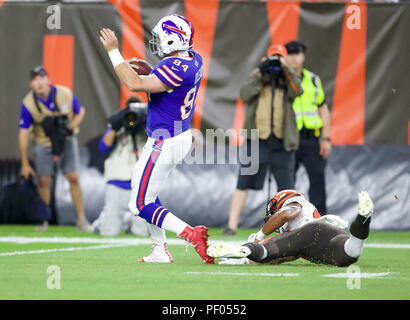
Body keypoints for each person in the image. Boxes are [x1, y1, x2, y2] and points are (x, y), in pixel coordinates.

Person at [99, 14, 214, 264]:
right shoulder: (193, 59)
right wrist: (150, 73)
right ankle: (159, 251)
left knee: (139, 204)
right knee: (148, 194)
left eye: (161, 38)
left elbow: (134, 83)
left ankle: (190, 234)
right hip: (176, 134)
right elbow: (162, 85)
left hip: (165, 139)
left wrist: (113, 53)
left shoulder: (175, 67)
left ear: (174, 41)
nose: (157, 42)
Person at [223, 44, 303, 236]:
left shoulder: (288, 79)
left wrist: (286, 69)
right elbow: (244, 94)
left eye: (279, 58)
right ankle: (231, 225)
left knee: (287, 188)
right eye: (272, 58)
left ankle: (289, 227)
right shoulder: (258, 77)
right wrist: (260, 71)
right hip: (257, 141)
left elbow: (297, 91)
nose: (275, 62)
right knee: (243, 182)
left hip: (283, 143)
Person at [92, 96, 173, 262]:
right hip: (117, 181)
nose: (133, 116)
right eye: (130, 111)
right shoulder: (118, 123)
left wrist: (146, 122)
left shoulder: (149, 124)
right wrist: (116, 125)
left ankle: (129, 221)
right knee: (109, 232)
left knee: (141, 232)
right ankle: (102, 221)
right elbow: (103, 147)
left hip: (139, 186)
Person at [208, 190, 374, 267]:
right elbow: (284, 255)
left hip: (311, 232)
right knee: (350, 254)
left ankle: (242, 251)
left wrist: (259, 236)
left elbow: (287, 214)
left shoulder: (293, 204)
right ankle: (364, 218)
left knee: (266, 249)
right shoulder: (299, 230)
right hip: (330, 235)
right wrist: (256, 258)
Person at [18, 66, 92, 232]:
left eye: (42, 77)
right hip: (44, 143)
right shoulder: (28, 104)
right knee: (43, 180)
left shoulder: (63, 93)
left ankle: (81, 219)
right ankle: (44, 219)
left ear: (48, 80)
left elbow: (81, 111)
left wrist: (70, 128)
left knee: (73, 177)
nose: (39, 82)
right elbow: (23, 133)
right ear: (31, 84)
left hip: (66, 139)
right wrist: (24, 162)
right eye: (35, 79)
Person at [285, 41, 332, 214]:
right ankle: (286, 219)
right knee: (287, 182)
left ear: (303, 56)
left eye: (297, 53)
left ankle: (321, 219)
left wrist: (326, 138)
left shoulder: (313, 79)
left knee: (317, 179)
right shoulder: (282, 79)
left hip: (312, 138)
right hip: (289, 138)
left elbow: (323, 109)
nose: (293, 57)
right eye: (289, 53)